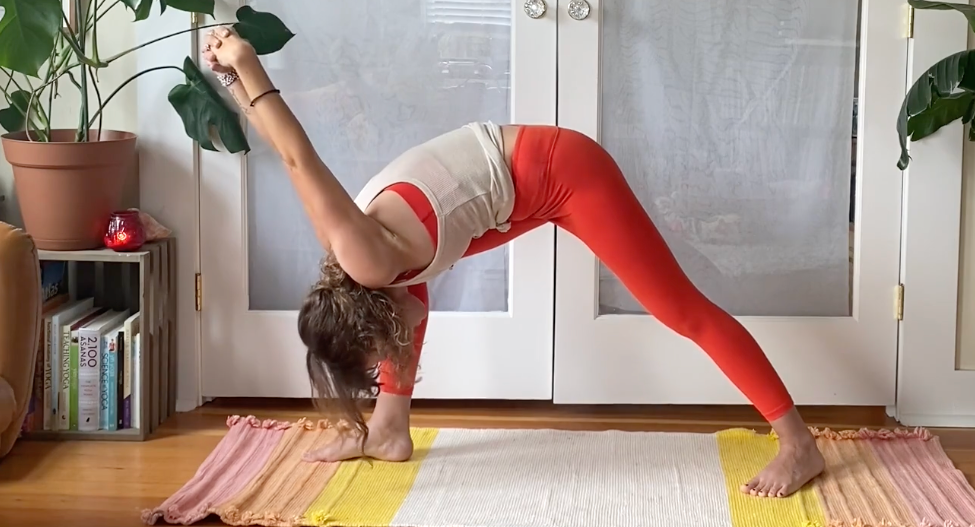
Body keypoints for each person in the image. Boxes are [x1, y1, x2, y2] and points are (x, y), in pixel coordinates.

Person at [200, 26, 826, 498]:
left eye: (363, 365)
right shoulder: (365, 273)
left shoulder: (361, 255)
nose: (368, 370)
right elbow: (397, 305)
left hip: (564, 172)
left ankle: (799, 444)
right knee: (411, 305)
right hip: (508, 198)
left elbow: (296, 158)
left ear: (362, 329)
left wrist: (246, 68)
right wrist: (231, 86)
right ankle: (389, 431)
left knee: (682, 312)